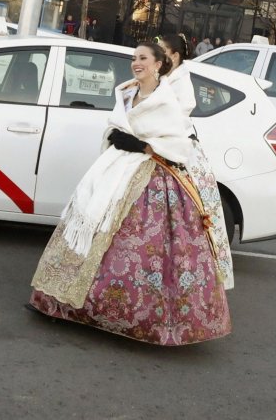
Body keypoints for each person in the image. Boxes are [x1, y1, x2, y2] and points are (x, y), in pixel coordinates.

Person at [28, 41, 231, 346]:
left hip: (151, 177)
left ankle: (138, 319)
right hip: (116, 170)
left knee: (142, 246)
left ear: (159, 64)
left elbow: (176, 144)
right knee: (92, 222)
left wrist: (141, 145)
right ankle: (69, 304)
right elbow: (114, 128)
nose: (136, 63)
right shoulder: (125, 93)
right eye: (134, 58)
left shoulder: (166, 99)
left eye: (143, 58)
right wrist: (119, 138)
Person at [157, 33, 234, 290]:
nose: (158, 56)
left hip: (177, 153)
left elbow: (175, 119)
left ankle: (189, 279)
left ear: (175, 56)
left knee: (186, 217)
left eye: (161, 51)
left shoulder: (181, 84)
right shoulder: (165, 78)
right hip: (161, 148)